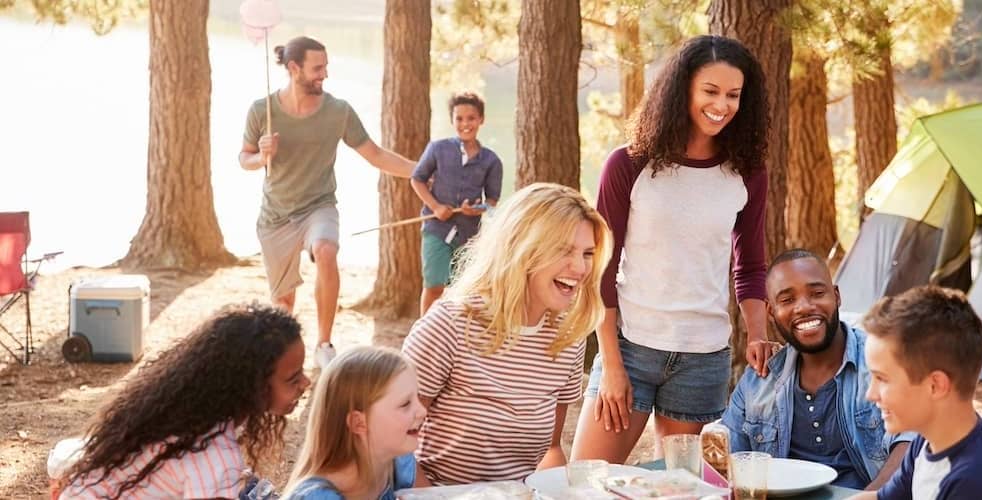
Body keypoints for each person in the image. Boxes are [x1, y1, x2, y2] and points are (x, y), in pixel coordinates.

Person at [570, 34, 776, 464]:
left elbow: (750, 265)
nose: (722, 105)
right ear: (682, 88)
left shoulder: (748, 172)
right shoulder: (628, 164)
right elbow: (601, 271)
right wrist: (611, 365)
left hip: (704, 358)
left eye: (734, 95)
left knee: (680, 489)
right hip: (631, 345)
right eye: (711, 91)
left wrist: (757, 332)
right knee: (586, 484)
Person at [401, 183, 611, 484]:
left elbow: (551, 449)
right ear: (522, 249)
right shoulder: (449, 325)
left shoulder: (569, 337)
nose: (580, 267)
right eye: (564, 250)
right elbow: (394, 447)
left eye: (588, 253)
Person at [238, 36, 416, 369]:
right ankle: (285, 354)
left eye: (326, 67)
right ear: (294, 69)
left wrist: (421, 171)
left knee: (326, 249)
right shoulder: (262, 111)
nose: (325, 75)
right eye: (317, 68)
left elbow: (375, 154)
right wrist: (261, 158)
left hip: (319, 205)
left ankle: (324, 344)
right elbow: (244, 159)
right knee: (283, 301)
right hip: (276, 215)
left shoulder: (338, 111)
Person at [61, 303, 310, 499]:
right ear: (252, 385)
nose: (306, 382)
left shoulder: (182, 414)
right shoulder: (214, 457)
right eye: (293, 378)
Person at [722, 249, 912, 490]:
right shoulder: (759, 380)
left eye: (817, 293)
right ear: (771, 312)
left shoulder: (880, 361)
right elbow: (725, 455)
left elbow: (911, 441)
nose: (803, 307)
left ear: (836, 296)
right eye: (787, 300)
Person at [849, 286, 982, 500]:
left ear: (935, 385)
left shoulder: (973, 482)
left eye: (882, 379)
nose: (871, 394)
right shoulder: (928, 440)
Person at [283, 346, 429, 499]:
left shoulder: (397, 461)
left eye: (417, 397)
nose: (422, 411)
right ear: (358, 423)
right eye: (405, 404)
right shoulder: (317, 497)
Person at [410, 91, 503, 315]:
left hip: (468, 235)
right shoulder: (437, 149)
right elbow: (417, 179)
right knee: (433, 286)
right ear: (452, 120)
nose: (465, 124)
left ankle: (453, 337)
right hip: (437, 229)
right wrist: (435, 207)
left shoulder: (491, 161)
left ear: (481, 119)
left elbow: (492, 201)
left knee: (460, 289)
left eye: (471, 118)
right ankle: (426, 336)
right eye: (459, 118)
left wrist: (477, 209)